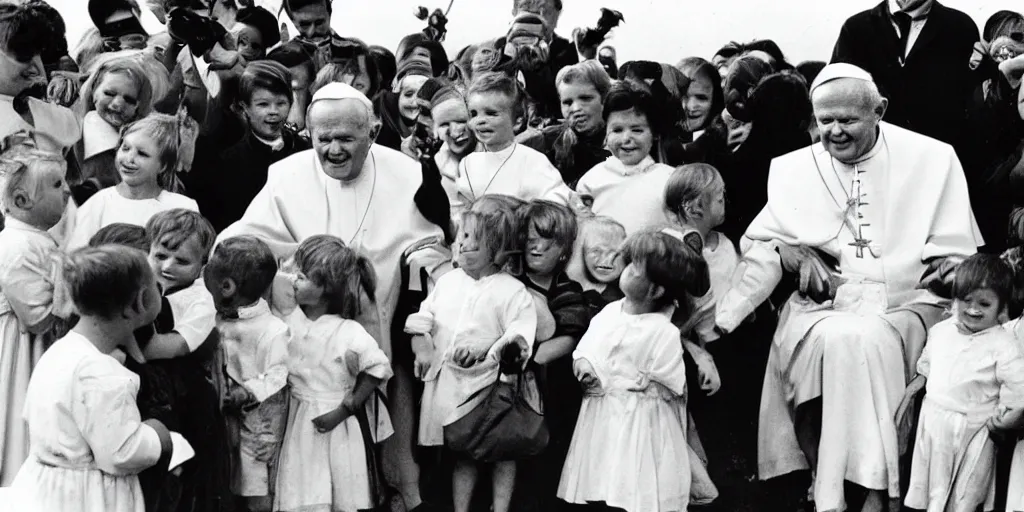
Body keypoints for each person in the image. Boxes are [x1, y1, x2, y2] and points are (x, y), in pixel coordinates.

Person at [723, 63, 982, 512]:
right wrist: (790, 251)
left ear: (879, 110)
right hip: (826, 305)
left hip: (909, 303)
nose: (835, 132)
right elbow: (760, 238)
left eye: (848, 120)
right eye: (825, 122)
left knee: (860, 338)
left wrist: (942, 266)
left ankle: (849, 488)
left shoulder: (932, 158)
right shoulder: (794, 168)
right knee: (843, 336)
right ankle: (872, 487)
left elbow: (955, 252)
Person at [219, 81, 447, 512]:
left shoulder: (407, 173)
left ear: (373, 134)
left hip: (382, 313)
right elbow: (247, 237)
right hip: (310, 325)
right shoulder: (286, 175)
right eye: (323, 139)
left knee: (384, 380)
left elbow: (436, 241)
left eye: (346, 138)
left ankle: (396, 483)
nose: (334, 150)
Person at [12, 245, 174, 512]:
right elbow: (120, 453)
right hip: (88, 497)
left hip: (46, 486)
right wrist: (157, 437)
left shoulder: (60, 351)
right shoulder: (103, 374)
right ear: (140, 302)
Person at [558, 229, 709, 512]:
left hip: (641, 423)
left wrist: (639, 384)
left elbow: (669, 385)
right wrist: (585, 368)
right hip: (603, 416)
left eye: (634, 267)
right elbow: (586, 349)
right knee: (603, 478)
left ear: (656, 290)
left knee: (635, 485)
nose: (625, 269)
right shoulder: (609, 313)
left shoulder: (662, 331)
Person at [404, 196, 537, 512]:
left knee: (501, 452)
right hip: (450, 384)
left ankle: (500, 507)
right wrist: (421, 343)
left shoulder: (510, 291)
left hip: (489, 388)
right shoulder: (448, 282)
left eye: (472, 244)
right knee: (462, 451)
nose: (461, 248)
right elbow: (422, 317)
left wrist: (487, 351)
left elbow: (520, 336)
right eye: (460, 240)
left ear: (499, 251)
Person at [275, 235, 395, 512]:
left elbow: (377, 368)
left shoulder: (347, 331)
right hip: (296, 417)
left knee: (336, 489)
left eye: (301, 276)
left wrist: (345, 409)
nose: (293, 279)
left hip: (334, 423)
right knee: (301, 490)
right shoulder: (289, 318)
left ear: (326, 289)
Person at [900, 254, 1024, 511]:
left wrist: (1010, 416)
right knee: (933, 491)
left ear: (1001, 308)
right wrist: (916, 384)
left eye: (984, 303)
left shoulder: (1003, 344)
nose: (973, 309)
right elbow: (928, 362)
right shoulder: (942, 331)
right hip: (934, 423)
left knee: (966, 493)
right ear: (955, 299)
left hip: (974, 429)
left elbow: (1018, 385)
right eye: (966, 301)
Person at [0, 148, 76, 485]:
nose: (67, 190)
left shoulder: (38, 242)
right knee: (16, 410)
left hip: (38, 342)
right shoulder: (14, 246)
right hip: (19, 347)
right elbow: (37, 317)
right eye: (57, 184)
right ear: (22, 200)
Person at [204, 236, 290, 512]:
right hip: (219, 420)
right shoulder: (212, 320)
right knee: (224, 481)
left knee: (257, 487)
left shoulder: (273, 329)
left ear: (226, 286)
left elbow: (278, 374)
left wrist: (247, 392)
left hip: (256, 422)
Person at [516, 199, 590, 512]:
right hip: (514, 387)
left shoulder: (567, 288)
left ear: (564, 251)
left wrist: (531, 358)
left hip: (554, 387)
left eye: (548, 242)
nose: (536, 247)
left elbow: (569, 338)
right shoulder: (513, 282)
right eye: (530, 239)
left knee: (550, 452)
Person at [830, 0, 981, 151]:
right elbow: (836, 96)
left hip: (935, 156)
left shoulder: (961, 27)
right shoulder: (855, 28)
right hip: (873, 155)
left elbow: (972, 105)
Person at [195, 61, 310, 231]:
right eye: (263, 104)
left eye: (281, 103)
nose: (273, 111)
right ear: (245, 108)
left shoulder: (305, 152)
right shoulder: (228, 162)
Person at [67, 113, 199, 249]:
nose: (129, 158)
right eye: (125, 148)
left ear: (163, 166)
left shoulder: (181, 208)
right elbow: (77, 256)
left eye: (142, 154)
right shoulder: (99, 203)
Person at [455, 72, 572, 218]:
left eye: (491, 113)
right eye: (474, 114)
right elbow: (461, 211)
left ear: (517, 121)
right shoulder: (468, 163)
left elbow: (557, 200)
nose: (480, 120)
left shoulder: (532, 161)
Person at [575, 81, 675, 236]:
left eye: (637, 130)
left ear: (654, 134)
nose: (626, 138)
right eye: (617, 130)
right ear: (606, 132)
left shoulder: (670, 180)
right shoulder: (591, 181)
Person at [519, 60, 613, 189]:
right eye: (567, 102)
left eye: (585, 98)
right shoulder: (549, 142)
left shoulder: (623, 142)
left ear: (605, 99)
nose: (575, 108)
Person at [75, 53, 161, 190]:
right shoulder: (83, 127)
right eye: (109, 93)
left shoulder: (143, 135)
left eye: (129, 100)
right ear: (94, 92)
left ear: (138, 107)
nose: (118, 104)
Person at [565, 216, 627, 317]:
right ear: (581, 252)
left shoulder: (621, 297)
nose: (606, 260)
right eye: (596, 251)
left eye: (615, 253)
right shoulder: (571, 286)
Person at [375, 52, 433, 152]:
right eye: (408, 94)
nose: (415, 103)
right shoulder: (380, 134)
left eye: (424, 95)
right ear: (397, 97)